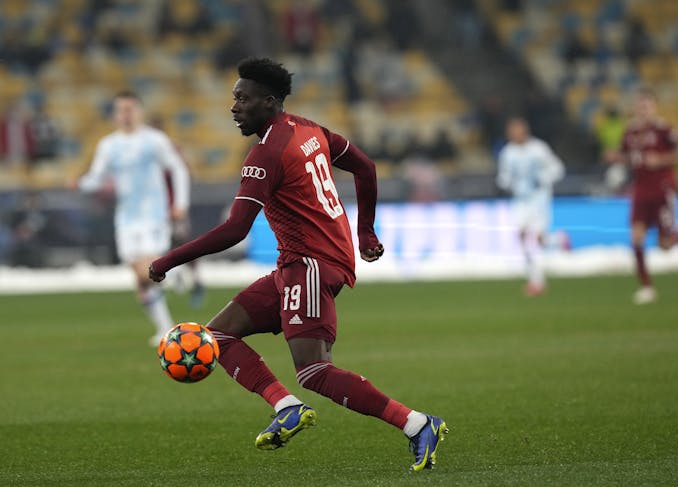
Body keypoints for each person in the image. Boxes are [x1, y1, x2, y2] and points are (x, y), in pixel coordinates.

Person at [148, 58, 448, 471]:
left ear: (269, 102)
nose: (234, 107)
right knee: (217, 336)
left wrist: (169, 259)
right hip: (304, 262)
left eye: (243, 99)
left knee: (315, 372)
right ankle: (286, 407)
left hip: (310, 264)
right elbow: (365, 166)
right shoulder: (308, 130)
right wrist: (365, 232)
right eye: (234, 98)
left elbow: (236, 229)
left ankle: (416, 424)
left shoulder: (266, 154)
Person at [74, 91, 190, 345]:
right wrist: (80, 183)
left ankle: (172, 278)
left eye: (130, 109)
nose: (126, 114)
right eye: (121, 110)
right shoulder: (109, 145)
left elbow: (178, 168)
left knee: (148, 269)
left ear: (140, 111)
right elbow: (96, 177)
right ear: (115, 114)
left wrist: (180, 204)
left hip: (153, 216)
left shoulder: (154, 140)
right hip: (125, 218)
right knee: (141, 280)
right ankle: (166, 321)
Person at [619, 88, 678, 305]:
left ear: (654, 107)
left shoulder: (664, 129)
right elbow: (624, 155)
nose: (643, 110)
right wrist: (617, 158)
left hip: (662, 188)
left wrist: (661, 159)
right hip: (640, 190)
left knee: (664, 245)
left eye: (647, 106)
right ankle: (646, 287)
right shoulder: (630, 132)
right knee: (636, 237)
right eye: (640, 106)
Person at [496, 117, 565, 296]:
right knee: (521, 236)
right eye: (512, 131)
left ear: (525, 131)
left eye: (518, 130)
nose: (515, 134)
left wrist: (544, 179)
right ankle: (536, 281)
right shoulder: (507, 153)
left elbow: (558, 169)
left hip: (539, 199)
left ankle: (558, 240)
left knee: (538, 239)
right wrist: (505, 183)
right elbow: (504, 177)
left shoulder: (539, 149)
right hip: (520, 201)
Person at [150, 116, 205, 308]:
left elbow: (185, 173)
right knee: (162, 246)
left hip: (174, 207)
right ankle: (170, 281)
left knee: (183, 244)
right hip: (156, 210)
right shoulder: (149, 153)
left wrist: (180, 204)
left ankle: (196, 281)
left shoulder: (172, 150)